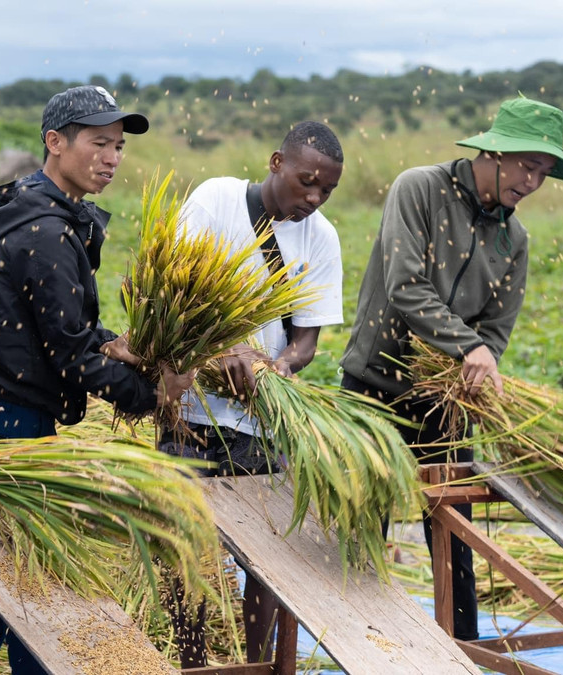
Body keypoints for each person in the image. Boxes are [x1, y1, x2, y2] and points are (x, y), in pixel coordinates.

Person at [0, 84, 194, 675]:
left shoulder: (47, 213)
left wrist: (120, 343)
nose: (111, 158)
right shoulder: (47, 233)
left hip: (9, 417)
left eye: (119, 147)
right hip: (10, 425)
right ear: (55, 143)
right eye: (99, 143)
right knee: (9, 588)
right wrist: (154, 396)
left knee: (19, 585)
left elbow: (72, 328)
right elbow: (74, 359)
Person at [339, 96, 563, 641]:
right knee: (362, 523)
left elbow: (496, 330)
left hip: (445, 398)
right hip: (375, 382)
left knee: (454, 535)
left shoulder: (514, 239)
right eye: (527, 165)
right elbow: (405, 286)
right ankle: (359, 642)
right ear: (493, 151)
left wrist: (478, 362)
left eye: (544, 173)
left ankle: (464, 649)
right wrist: (466, 347)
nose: (532, 182)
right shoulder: (420, 189)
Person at [159, 120, 345, 667]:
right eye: (306, 181)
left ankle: (259, 659)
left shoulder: (322, 238)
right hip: (190, 413)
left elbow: (305, 341)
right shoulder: (215, 201)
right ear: (275, 163)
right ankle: (192, 658)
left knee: (266, 556)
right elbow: (176, 298)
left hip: (261, 423)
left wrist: (275, 366)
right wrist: (222, 353)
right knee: (184, 548)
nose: (313, 198)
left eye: (326, 190)